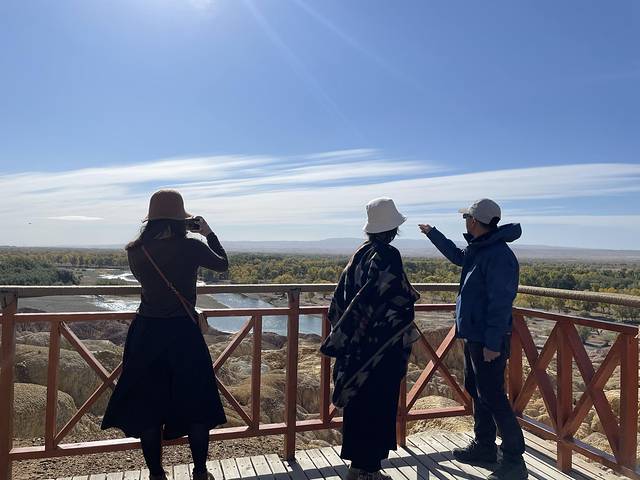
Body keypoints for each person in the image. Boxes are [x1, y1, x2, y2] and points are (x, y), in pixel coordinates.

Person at [102, 189, 228, 480]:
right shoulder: (192, 247)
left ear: (151, 219)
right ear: (180, 219)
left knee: (148, 406)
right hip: (183, 333)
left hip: (147, 333)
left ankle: (156, 474)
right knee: (196, 402)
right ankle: (200, 471)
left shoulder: (135, 251)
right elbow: (222, 264)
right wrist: (208, 233)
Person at [418, 198, 527, 480]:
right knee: (477, 390)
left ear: (475, 221)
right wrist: (433, 233)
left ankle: (514, 460)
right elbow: (458, 256)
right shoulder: (481, 248)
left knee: (493, 395)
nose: (465, 221)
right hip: (474, 335)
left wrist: (492, 343)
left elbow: (500, 303)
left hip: (487, 339)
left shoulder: (498, 255)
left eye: (466, 217)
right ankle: (484, 446)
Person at [321, 197, 420, 480]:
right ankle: (369, 471)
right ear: (393, 229)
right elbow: (397, 300)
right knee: (378, 406)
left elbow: (339, 303)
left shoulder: (359, 255)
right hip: (381, 349)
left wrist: (351, 333)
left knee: (359, 405)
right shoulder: (389, 256)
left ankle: (358, 468)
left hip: (356, 349)